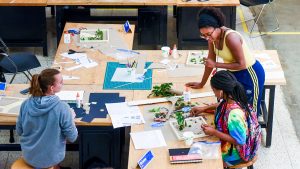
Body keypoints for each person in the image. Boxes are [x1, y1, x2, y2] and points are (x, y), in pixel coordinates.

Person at [185, 7, 265, 115]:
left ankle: (253, 130)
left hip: (249, 73)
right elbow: (210, 63)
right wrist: (201, 83)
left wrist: (216, 64)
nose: (207, 38)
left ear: (217, 27)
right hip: (233, 73)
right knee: (232, 105)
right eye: (203, 35)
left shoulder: (231, 38)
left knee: (249, 111)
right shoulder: (211, 39)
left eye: (208, 34)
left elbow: (241, 64)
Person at [190, 70, 261, 166]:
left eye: (214, 90)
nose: (214, 93)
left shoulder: (234, 115)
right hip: (233, 145)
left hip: (236, 154)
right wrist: (203, 108)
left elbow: (240, 141)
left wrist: (214, 132)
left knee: (200, 158)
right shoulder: (233, 97)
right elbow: (221, 105)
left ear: (221, 91)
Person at [16, 68, 78, 169]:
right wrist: (70, 118)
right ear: (51, 88)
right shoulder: (62, 108)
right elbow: (73, 137)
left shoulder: (25, 104)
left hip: (29, 156)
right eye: (61, 82)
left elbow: (19, 131)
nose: (63, 83)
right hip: (51, 158)